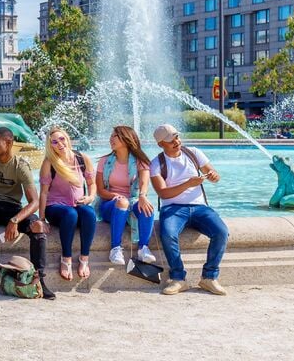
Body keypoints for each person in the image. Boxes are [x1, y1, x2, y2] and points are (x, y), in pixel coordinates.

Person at [0, 127, 54, 299]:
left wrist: (15, 220)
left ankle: (39, 279)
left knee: (38, 226)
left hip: (12, 207)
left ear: (8, 143)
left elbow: (35, 201)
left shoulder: (21, 165)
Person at [151, 124, 229, 296]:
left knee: (222, 232)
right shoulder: (156, 163)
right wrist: (188, 184)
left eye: (177, 137)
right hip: (172, 208)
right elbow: (163, 193)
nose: (176, 142)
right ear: (161, 144)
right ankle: (178, 278)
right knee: (168, 234)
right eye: (170, 140)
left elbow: (212, 172)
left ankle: (209, 277)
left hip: (200, 207)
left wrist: (214, 176)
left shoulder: (193, 153)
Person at [39, 128, 97, 281]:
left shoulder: (82, 158)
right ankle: (66, 259)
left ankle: (84, 258)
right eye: (54, 142)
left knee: (90, 213)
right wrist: (41, 219)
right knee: (70, 214)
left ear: (67, 139)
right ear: (50, 146)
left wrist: (90, 197)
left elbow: (92, 183)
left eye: (62, 139)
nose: (60, 144)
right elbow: (43, 193)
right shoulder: (49, 163)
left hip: (77, 204)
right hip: (55, 207)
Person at [95, 126, 155, 266]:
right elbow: (101, 191)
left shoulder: (141, 160)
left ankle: (143, 248)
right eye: (111, 136)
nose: (111, 139)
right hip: (110, 204)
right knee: (122, 202)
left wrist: (143, 196)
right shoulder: (104, 161)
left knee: (147, 206)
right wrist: (115, 195)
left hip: (132, 200)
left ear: (126, 139)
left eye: (115, 136)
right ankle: (115, 248)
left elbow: (144, 183)